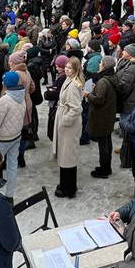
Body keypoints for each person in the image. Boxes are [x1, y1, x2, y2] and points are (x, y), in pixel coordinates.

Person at [0, 71, 27, 204]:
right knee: (12, 165)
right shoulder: (21, 95)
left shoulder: (4, 99)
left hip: (3, 138)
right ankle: (9, 195)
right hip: (16, 136)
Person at [53, 56, 84, 198]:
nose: (66, 69)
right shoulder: (68, 80)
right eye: (66, 66)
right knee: (66, 155)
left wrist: (64, 121)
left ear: (76, 69)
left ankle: (68, 188)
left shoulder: (72, 85)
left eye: (69, 67)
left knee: (68, 156)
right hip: (66, 123)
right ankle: (66, 184)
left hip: (69, 126)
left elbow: (76, 109)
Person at [86, 56, 119, 179]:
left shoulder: (103, 81)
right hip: (108, 115)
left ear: (104, 66)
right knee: (107, 141)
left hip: (101, 116)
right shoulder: (111, 77)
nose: (99, 64)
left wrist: (88, 95)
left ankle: (104, 169)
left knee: (103, 144)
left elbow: (99, 99)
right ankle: (107, 167)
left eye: (101, 63)